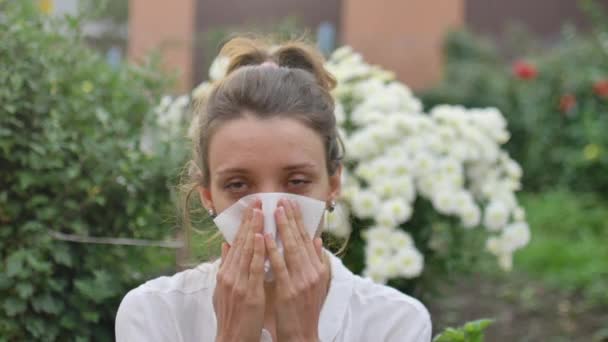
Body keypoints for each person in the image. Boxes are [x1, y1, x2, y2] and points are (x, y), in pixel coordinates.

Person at [115, 37, 432, 342]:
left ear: (333, 184)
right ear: (208, 195)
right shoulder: (154, 313)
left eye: (296, 182)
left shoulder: (395, 322)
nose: (269, 209)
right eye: (238, 185)